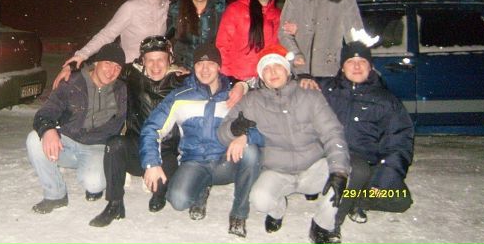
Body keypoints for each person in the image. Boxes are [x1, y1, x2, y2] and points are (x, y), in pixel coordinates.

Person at [218, 44, 350, 244]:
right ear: (261, 76)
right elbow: (222, 132)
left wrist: (338, 171)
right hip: (277, 171)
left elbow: (332, 132)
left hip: (313, 167)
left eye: (277, 66)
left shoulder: (310, 95)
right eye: (266, 69)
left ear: (287, 70)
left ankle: (321, 225)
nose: (272, 72)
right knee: (260, 199)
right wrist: (235, 130)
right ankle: (277, 210)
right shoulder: (252, 101)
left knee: (346, 172)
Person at [140, 43, 262, 238]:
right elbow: (151, 128)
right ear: (193, 67)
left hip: (226, 162)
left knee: (251, 151)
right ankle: (201, 188)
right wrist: (152, 163)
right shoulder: (180, 96)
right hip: (194, 162)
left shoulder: (234, 95)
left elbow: (261, 126)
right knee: (178, 201)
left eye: (211, 63)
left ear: (219, 67)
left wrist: (245, 136)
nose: (205, 69)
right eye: (199, 64)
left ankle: (239, 213)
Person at [89, 35, 186, 227]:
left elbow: (214, 77)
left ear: (170, 60)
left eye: (161, 59)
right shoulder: (132, 75)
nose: (156, 66)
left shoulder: (181, 81)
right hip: (137, 147)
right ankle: (115, 204)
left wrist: (241, 85)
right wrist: (73, 68)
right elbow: (105, 68)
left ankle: (159, 194)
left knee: (161, 186)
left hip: (166, 152)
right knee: (115, 145)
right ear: (142, 61)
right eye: (150, 60)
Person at [320, 41, 414, 227]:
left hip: (368, 165)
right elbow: (292, 85)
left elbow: (399, 143)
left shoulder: (386, 100)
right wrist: (304, 78)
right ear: (342, 67)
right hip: (331, 159)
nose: (356, 66)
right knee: (357, 170)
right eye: (350, 61)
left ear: (370, 67)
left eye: (362, 61)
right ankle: (334, 218)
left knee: (400, 199)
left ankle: (356, 198)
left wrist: (381, 181)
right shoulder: (327, 90)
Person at [26, 42, 127, 214]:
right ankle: (55, 194)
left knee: (94, 184)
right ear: (96, 62)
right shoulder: (72, 82)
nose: (111, 71)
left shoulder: (121, 89)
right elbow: (46, 111)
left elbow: (148, 72)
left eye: (117, 67)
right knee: (35, 139)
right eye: (108, 63)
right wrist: (48, 130)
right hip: (66, 142)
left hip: (96, 147)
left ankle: (90, 177)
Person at [52, 0, 169, 89]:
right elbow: (107, 34)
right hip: (131, 71)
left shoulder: (168, 9)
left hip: (155, 71)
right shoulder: (131, 8)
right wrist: (82, 55)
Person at [216, 0, 282, 81]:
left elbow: (278, 48)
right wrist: (229, 77)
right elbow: (222, 45)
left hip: (265, 78)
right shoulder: (235, 9)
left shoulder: (278, 14)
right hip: (237, 77)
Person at [166, 0, 226, 69]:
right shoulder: (176, 9)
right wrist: (177, 66)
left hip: (210, 67)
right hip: (183, 67)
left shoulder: (221, 10)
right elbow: (168, 38)